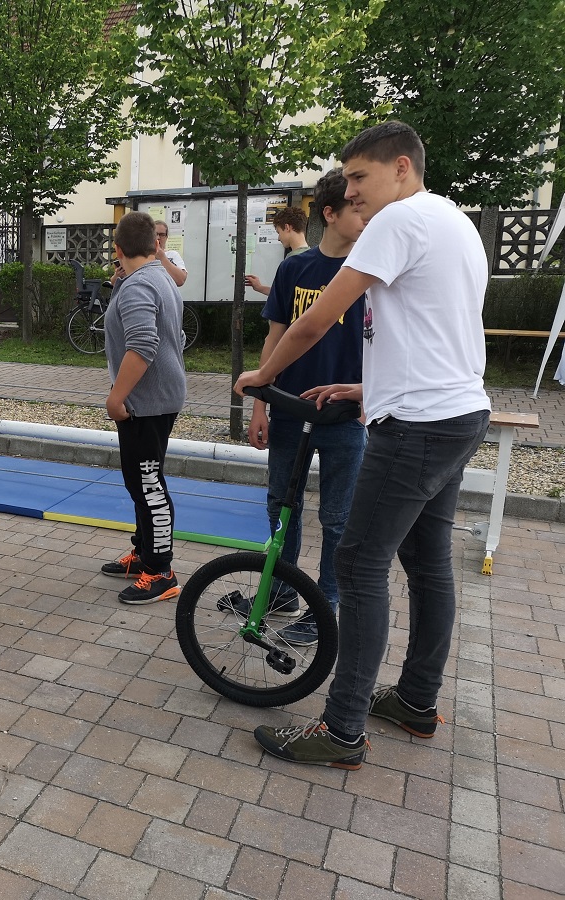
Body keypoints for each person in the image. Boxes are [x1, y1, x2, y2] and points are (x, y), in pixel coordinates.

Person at [237, 121, 491, 769]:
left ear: (401, 167)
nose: (349, 192)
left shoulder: (397, 220)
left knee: (358, 563)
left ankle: (343, 728)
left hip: (417, 426)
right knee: (427, 563)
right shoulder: (453, 220)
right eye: (346, 181)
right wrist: (366, 386)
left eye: (359, 177)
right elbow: (432, 330)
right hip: (458, 411)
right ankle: (416, 700)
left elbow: (318, 318)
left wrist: (263, 377)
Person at [245, 169, 368, 645]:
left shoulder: (371, 272)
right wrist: (261, 405)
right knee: (282, 505)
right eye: (356, 207)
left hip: (343, 417)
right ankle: (281, 592)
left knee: (338, 519)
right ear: (329, 214)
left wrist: (368, 395)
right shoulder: (295, 269)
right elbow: (275, 337)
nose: (365, 215)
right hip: (289, 410)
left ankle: (325, 607)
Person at [99, 211, 188, 605]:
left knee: (149, 485)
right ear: (155, 245)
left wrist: (116, 397)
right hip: (156, 397)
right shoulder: (158, 277)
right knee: (140, 482)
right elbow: (174, 336)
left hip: (146, 402)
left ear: (118, 249)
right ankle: (145, 553)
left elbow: (143, 345)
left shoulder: (140, 285)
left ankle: (161, 572)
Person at [246, 206, 310, 296]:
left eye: (279, 232)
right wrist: (260, 287)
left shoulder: (292, 261)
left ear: (287, 227)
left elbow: (283, 296)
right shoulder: (314, 259)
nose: (278, 238)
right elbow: (285, 293)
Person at [152, 220, 188, 287]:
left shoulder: (172, 255)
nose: (158, 238)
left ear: (166, 237)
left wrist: (162, 258)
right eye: (155, 234)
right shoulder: (143, 256)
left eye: (162, 235)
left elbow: (180, 280)